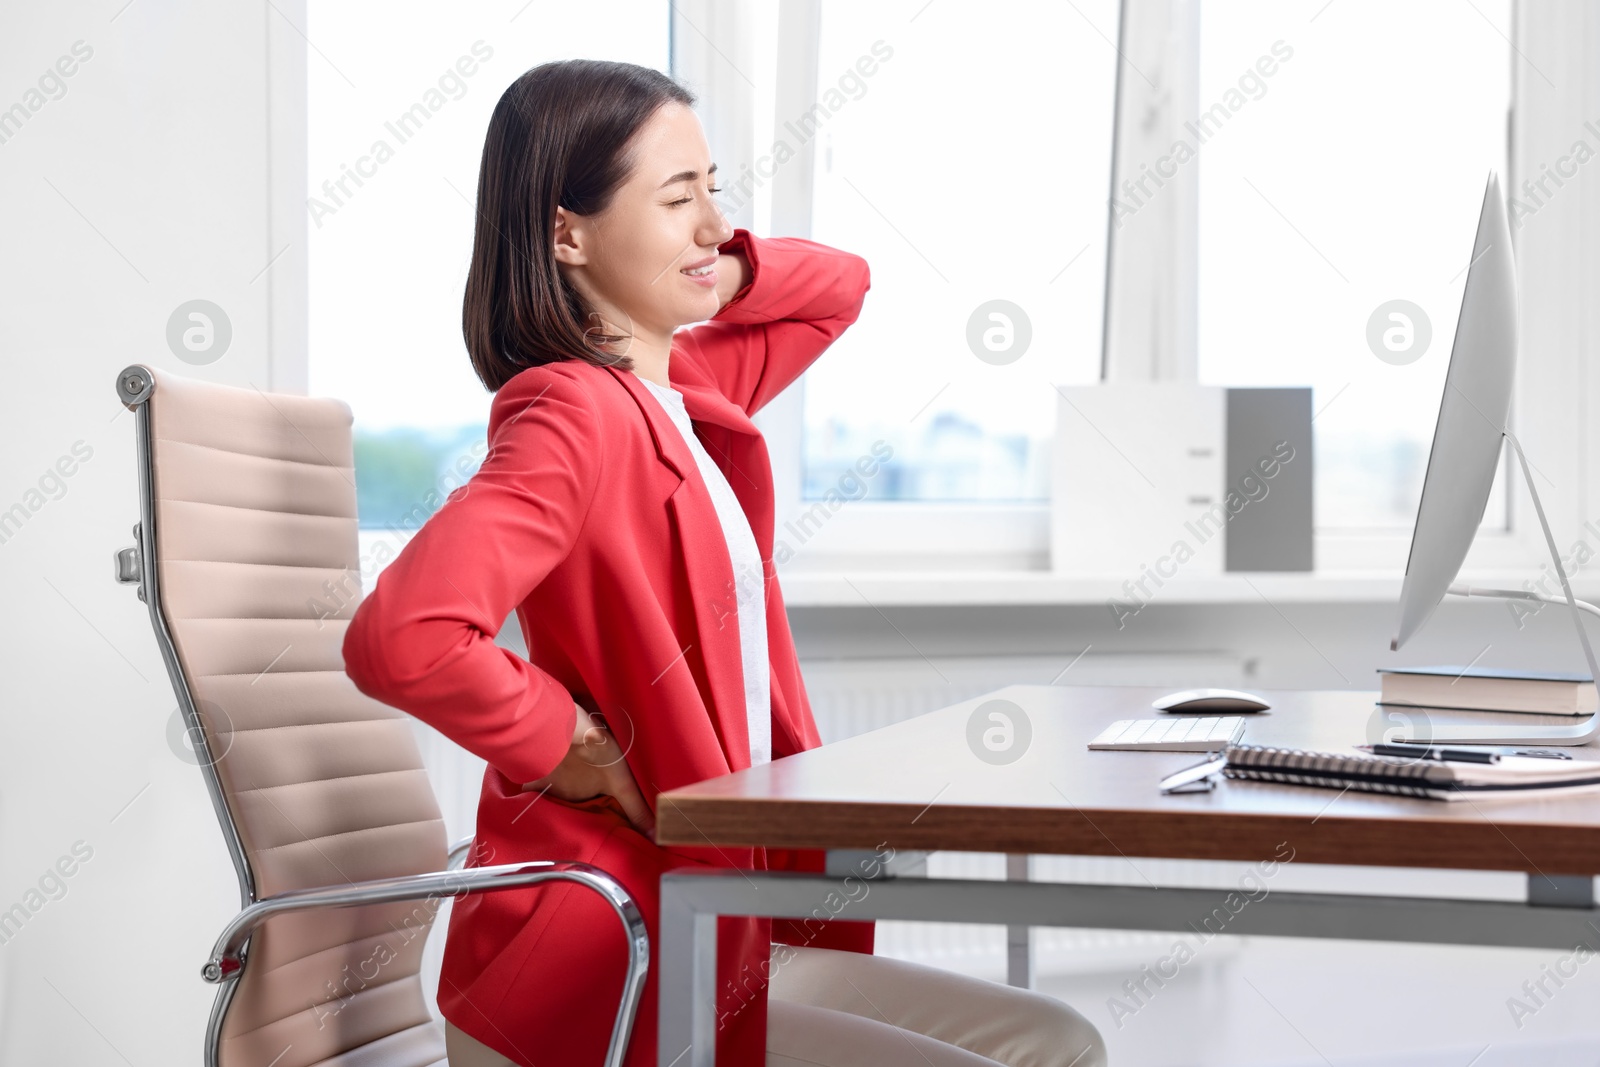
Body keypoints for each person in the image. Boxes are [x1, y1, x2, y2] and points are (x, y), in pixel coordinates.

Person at [342, 57, 1107, 1067]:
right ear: (565, 233)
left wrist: (715, 263)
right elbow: (403, 635)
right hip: (606, 959)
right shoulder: (571, 411)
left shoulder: (685, 387)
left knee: (1055, 1037)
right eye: (675, 197)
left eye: (713, 189)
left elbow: (839, 288)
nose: (711, 222)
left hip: (716, 924)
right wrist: (571, 739)